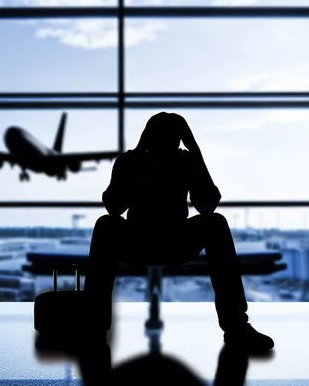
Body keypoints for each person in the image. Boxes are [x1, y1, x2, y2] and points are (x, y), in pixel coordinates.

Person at [83, 112, 274, 353]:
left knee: (106, 225)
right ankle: (236, 326)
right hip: (173, 241)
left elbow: (114, 208)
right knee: (215, 223)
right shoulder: (177, 160)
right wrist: (193, 149)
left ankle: (93, 327)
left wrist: (136, 158)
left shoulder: (139, 161)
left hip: (143, 241)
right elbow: (207, 205)